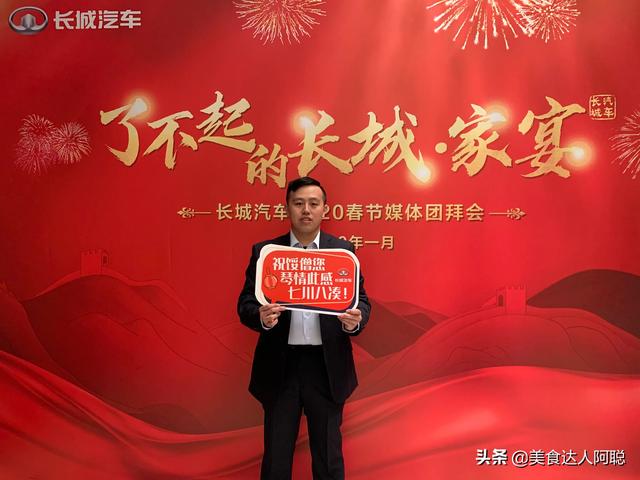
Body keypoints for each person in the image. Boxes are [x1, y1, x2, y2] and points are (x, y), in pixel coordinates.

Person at [237, 176, 371, 480]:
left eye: (313, 203)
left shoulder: (343, 251)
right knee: (276, 460)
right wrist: (261, 316)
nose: (306, 210)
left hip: (326, 367)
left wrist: (356, 319)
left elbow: (361, 301)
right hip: (280, 367)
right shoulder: (266, 252)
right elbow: (245, 303)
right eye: (298, 203)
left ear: (325, 209)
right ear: (287, 208)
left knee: (328, 460)